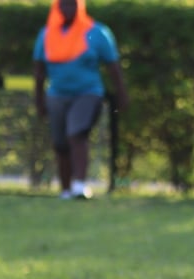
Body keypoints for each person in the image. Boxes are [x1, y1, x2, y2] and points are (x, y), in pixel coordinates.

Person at [33, 0, 128, 199]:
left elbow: (113, 66)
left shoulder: (95, 33)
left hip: (88, 92)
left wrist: (121, 94)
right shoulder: (47, 34)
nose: (68, 9)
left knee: (76, 132)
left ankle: (80, 185)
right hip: (57, 94)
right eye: (64, 4)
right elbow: (39, 71)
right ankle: (65, 189)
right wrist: (39, 100)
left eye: (72, 4)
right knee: (60, 143)